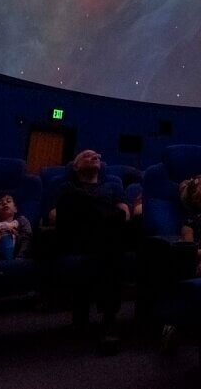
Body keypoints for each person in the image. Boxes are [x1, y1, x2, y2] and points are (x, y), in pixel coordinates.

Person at [53, 150, 130, 354]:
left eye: (97, 155)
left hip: (106, 237)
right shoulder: (66, 187)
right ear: (76, 166)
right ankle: (108, 320)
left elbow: (124, 214)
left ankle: (108, 319)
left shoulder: (112, 186)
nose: (95, 156)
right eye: (86, 155)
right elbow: (55, 215)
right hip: (76, 236)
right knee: (79, 204)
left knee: (111, 235)